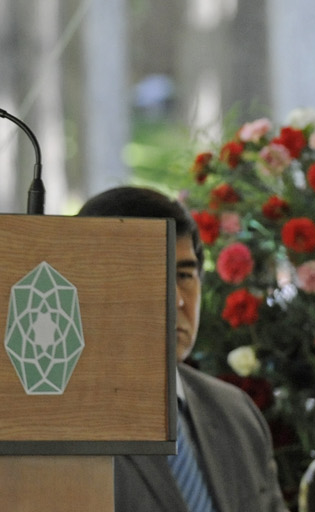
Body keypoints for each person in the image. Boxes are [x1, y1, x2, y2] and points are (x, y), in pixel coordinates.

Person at [76, 186, 285, 512]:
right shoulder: (61, 429)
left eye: (185, 275)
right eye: (149, 274)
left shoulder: (236, 413)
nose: (176, 300)